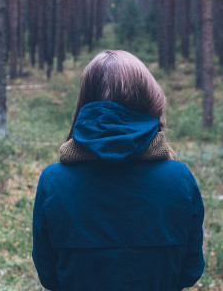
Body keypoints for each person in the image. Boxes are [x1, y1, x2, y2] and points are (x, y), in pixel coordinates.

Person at [32, 50, 205, 291]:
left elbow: (49, 276)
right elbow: (190, 272)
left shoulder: (52, 181)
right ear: (149, 102)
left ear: (85, 102)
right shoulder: (180, 180)